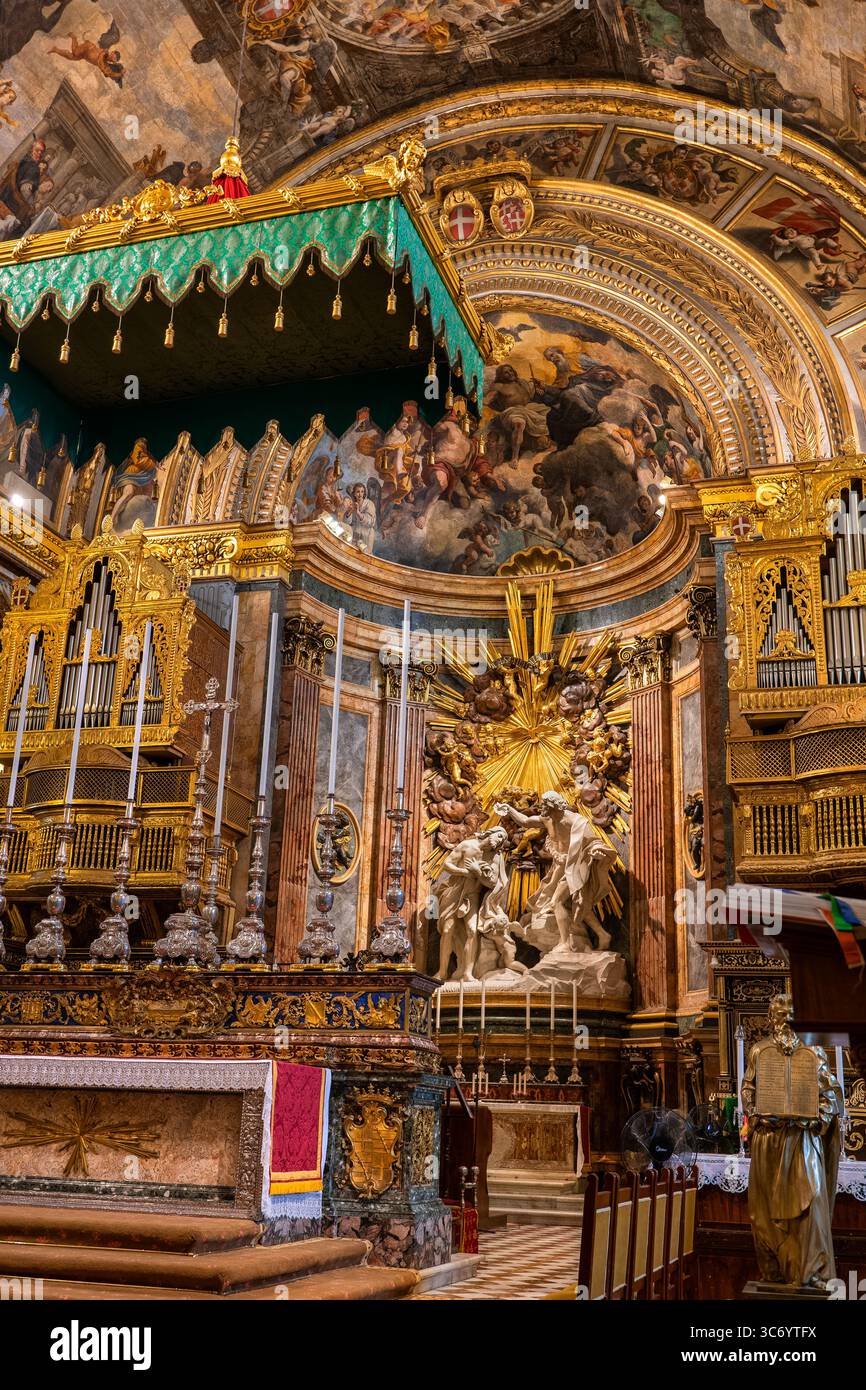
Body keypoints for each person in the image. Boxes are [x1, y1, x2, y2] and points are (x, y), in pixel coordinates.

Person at [742, 993, 842, 1290]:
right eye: (780, 1015)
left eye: (790, 1015)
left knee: (809, 1213)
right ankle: (775, 1272)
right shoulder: (759, 1052)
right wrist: (756, 1111)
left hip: (801, 1143)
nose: (785, 1020)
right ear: (771, 1019)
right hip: (769, 1143)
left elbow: (832, 1096)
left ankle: (809, 1275)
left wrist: (817, 1118)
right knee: (764, 1214)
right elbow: (749, 1089)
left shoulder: (814, 1054)